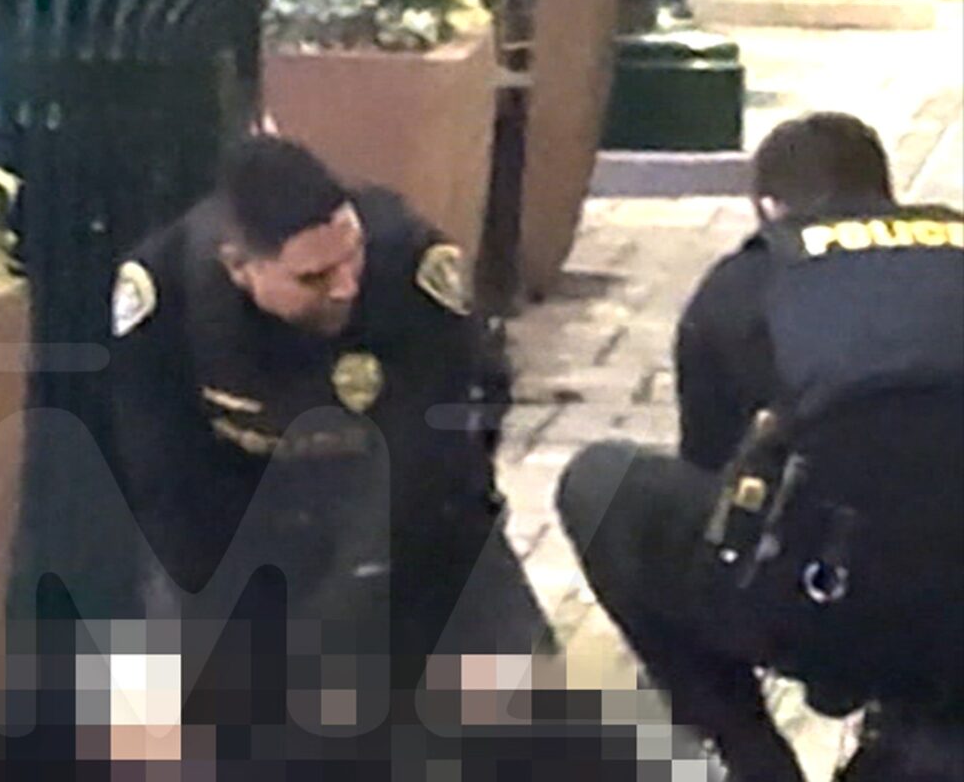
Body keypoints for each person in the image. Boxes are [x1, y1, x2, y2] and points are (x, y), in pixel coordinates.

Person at [556, 113, 964, 781]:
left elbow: (722, 498)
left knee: (601, 485)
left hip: (827, 600)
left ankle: (753, 759)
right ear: (887, 194)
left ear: (770, 207)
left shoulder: (743, 284)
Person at [109, 136, 554, 743]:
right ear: (239, 266)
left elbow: (449, 455)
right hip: (243, 534)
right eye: (314, 277)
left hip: (410, 527)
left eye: (351, 256)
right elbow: (165, 487)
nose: (345, 286)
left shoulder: (409, 263)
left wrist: (361, 600)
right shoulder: (167, 298)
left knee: (531, 713)